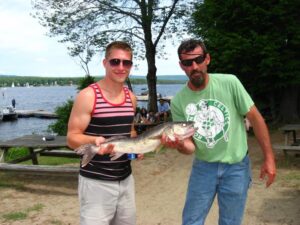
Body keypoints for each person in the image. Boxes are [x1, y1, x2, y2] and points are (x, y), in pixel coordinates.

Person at [162, 39, 276, 225]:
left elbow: (256, 119)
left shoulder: (230, 82)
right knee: (191, 221)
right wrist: (180, 144)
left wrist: (269, 158)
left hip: (236, 168)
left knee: (230, 222)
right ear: (182, 66)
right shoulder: (178, 101)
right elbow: (190, 147)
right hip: (203, 167)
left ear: (207, 59)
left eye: (198, 59)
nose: (194, 66)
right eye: (188, 63)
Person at [67, 41, 142, 225]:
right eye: (115, 61)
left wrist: (137, 146)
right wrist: (95, 142)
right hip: (96, 183)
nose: (121, 67)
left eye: (127, 63)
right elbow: (71, 137)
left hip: (126, 180)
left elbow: (129, 131)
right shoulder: (88, 95)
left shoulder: (131, 98)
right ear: (105, 63)